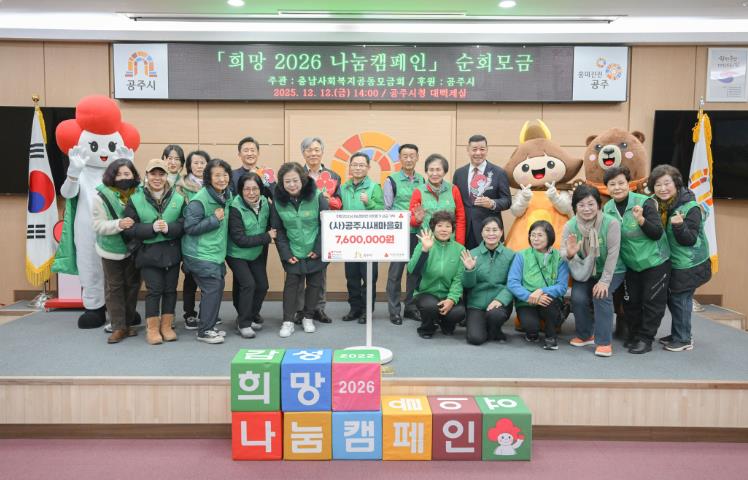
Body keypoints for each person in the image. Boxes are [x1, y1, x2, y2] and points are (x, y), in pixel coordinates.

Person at [602, 166, 671, 354]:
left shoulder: (644, 202)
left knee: (652, 302)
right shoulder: (607, 209)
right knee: (631, 302)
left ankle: (646, 339)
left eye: (621, 183)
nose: (617, 187)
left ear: (629, 184)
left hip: (655, 261)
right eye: (612, 184)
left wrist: (641, 220)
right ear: (607, 188)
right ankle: (634, 334)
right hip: (630, 264)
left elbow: (656, 233)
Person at [649, 165, 712, 352]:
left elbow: (689, 239)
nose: (663, 188)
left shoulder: (690, 207)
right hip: (674, 261)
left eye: (667, 183)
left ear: (676, 184)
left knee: (681, 299)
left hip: (690, 263)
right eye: (658, 184)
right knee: (673, 298)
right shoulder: (658, 204)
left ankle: (683, 339)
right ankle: (679, 332)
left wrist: (679, 226)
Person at [122, 159, 185, 345]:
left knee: (170, 290)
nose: (157, 178)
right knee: (154, 290)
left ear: (167, 176)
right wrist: (151, 228)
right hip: (148, 253)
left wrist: (169, 228)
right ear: (147, 176)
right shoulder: (135, 199)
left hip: (172, 252)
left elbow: (184, 224)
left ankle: (166, 326)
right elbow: (128, 229)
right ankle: (152, 329)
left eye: (161, 174)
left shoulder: (179, 198)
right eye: (153, 174)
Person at [561, 185, 624, 357]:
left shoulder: (611, 223)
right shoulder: (570, 225)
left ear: (598, 204)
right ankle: (585, 335)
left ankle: (604, 342)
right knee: (578, 297)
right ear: (575, 207)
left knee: (601, 294)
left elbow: (613, 254)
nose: (586, 209)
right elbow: (563, 253)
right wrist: (570, 253)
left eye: (591, 204)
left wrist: (604, 281)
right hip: (585, 270)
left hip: (612, 270)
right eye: (581, 205)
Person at [271, 162, 329, 338]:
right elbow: (278, 230)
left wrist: (318, 249)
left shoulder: (317, 196)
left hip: (314, 250)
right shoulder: (278, 202)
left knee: (314, 285)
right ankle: (288, 321)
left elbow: (326, 225)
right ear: (282, 183)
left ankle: (308, 317)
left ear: (303, 180)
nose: (292, 185)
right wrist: (286, 253)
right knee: (291, 287)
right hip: (293, 251)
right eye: (287, 181)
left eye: (295, 180)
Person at [182, 158, 233, 345]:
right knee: (212, 288)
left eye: (225, 175)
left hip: (215, 252)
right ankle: (204, 331)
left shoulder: (226, 195)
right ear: (208, 178)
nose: (222, 179)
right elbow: (190, 227)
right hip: (200, 254)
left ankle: (208, 325)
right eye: (217, 175)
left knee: (216, 288)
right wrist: (214, 219)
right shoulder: (200, 200)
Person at [92, 159, 142, 344]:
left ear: (133, 175)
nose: (123, 178)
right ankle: (118, 327)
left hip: (134, 248)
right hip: (111, 249)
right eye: (119, 174)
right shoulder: (101, 196)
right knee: (114, 288)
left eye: (127, 174)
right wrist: (119, 224)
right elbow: (97, 225)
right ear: (111, 176)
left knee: (133, 286)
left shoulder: (140, 193)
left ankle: (128, 324)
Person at [296, 136, 341, 325]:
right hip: (301, 229)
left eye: (316, 150)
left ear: (322, 152)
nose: (313, 153)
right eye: (309, 150)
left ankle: (318, 308)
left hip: (324, 229)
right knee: (298, 270)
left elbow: (339, 203)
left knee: (320, 270)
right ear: (303, 153)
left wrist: (329, 200)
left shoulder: (333, 176)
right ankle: (299, 309)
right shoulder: (296, 174)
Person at [226, 172, 276, 339]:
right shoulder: (235, 207)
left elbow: (270, 222)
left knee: (262, 285)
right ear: (241, 190)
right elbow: (239, 239)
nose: (251, 193)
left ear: (261, 189)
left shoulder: (264, 202)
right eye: (247, 189)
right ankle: (244, 323)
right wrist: (266, 237)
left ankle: (250, 315)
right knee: (248, 284)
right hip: (236, 253)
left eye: (255, 188)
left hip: (256, 252)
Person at [508, 220, 569, 351]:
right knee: (531, 327)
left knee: (549, 303)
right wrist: (529, 296)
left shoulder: (559, 257)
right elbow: (513, 283)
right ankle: (532, 332)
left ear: (549, 237)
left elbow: (562, 286)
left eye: (540, 235)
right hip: (526, 301)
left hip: (548, 299)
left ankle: (551, 337)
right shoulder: (521, 255)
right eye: (532, 235)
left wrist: (541, 291)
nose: (535, 239)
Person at [340, 152, 384, 324]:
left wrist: (369, 203)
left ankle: (367, 310)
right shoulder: (344, 187)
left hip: (369, 241)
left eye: (361, 165)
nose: (358, 168)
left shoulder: (374, 187)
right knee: (351, 276)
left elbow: (382, 211)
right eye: (354, 165)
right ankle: (355, 309)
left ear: (368, 168)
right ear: (350, 167)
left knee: (369, 277)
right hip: (349, 240)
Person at [408, 211, 466, 339]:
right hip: (426, 293)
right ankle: (427, 328)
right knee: (430, 307)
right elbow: (412, 270)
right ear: (433, 228)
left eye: (448, 226)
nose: (444, 229)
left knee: (459, 311)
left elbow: (458, 279)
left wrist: (451, 299)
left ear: (452, 229)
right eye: (439, 226)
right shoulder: (423, 244)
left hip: (447, 294)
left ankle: (444, 322)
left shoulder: (460, 249)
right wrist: (425, 250)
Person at [384, 143, 425, 325]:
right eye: (405, 156)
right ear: (399, 158)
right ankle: (394, 311)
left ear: (417, 158)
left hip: (418, 233)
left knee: (415, 272)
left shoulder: (423, 180)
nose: (409, 159)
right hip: (399, 234)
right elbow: (387, 209)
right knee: (395, 273)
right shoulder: (391, 180)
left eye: (412, 156)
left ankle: (410, 307)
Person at [461, 216, 515, 345]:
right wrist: (469, 270)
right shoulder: (471, 254)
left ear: (501, 232)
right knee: (475, 338)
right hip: (476, 304)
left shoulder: (511, 255)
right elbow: (467, 285)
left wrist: (500, 300)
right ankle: (488, 329)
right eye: (487, 230)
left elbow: (513, 283)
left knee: (495, 315)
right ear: (481, 232)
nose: (491, 233)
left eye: (495, 230)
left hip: (499, 304)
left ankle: (494, 329)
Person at [452, 134, 512, 249]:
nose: (478, 153)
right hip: (466, 231)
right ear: (468, 150)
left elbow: (507, 201)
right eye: (474, 149)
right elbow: (455, 202)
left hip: (490, 231)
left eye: (482, 149)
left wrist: (492, 203)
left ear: (487, 150)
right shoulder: (459, 173)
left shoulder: (498, 172)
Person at [176, 150, 210, 330]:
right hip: (190, 238)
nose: (199, 166)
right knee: (190, 278)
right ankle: (189, 313)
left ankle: (207, 313)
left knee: (209, 279)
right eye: (195, 163)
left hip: (210, 238)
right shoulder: (181, 187)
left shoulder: (214, 185)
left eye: (203, 162)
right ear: (189, 166)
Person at [409, 153, 466, 245]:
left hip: (450, 243)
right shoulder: (418, 191)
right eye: (431, 170)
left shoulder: (453, 189)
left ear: (445, 171)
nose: (434, 174)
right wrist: (417, 220)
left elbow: (460, 218)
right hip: (427, 243)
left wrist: (459, 245)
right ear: (426, 171)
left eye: (438, 170)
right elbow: (411, 220)